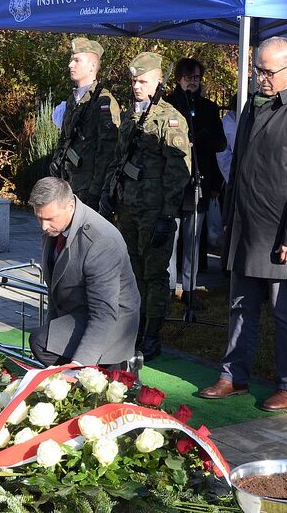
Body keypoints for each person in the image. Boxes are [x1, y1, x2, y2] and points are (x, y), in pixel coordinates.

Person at [198, 37, 287, 412]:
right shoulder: (254, 106)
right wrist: (229, 216)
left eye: (268, 71)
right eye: (257, 69)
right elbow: (239, 164)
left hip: (281, 234)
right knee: (240, 305)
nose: (260, 77)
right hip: (247, 227)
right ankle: (233, 375)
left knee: (284, 312)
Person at [100, 52, 191, 361]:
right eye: (134, 81)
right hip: (127, 206)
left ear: (157, 81)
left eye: (142, 81)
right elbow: (118, 157)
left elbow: (179, 172)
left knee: (154, 274)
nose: (136, 86)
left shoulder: (170, 118)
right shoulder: (130, 115)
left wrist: (168, 214)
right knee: (132, 270)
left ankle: (152, 334)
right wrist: (110, 191)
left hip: (154, 210)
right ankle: (133, 328)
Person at [28, 177, 140, 367]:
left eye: (49, 219)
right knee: (42, 341)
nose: (43, 226)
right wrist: (52, 330)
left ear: (70, 206)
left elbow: (104, 313)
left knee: (43, 343)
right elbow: (56, 286)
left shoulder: (100, 240)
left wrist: (79, 364)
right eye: (39, 218)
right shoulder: (56, 228)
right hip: (80, 311)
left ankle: (117, 367)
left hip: (112, 322)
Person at [165, 58, 226, 308]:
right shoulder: (167, 106)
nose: (193, 83)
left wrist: (201, 140)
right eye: (189, 78)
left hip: (199, 180)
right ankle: (167, 288)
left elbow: (221, 144)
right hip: (172, 183)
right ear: (179, 79)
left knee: (193, 237)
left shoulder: (209, 109)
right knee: (171, 236)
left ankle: (189, 288)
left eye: (197, 78)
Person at [49, 38, 121, 210]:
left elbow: (107, 152)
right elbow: (64, 138)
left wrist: (96, 192)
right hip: (68, 185)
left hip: (88, 189)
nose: (70, 65)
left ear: (92, 66)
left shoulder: (103, 102)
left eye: (77, 60)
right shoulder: (73, 100)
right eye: (70, 59)